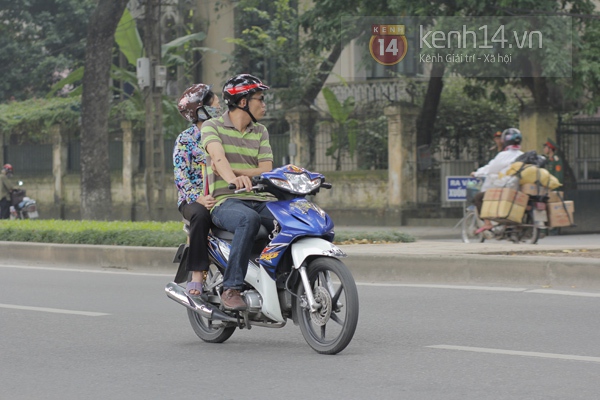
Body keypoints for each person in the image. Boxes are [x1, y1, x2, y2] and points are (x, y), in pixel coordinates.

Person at [201, 74, 275, 311]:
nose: (264, 105)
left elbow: (266, 169)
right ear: (243, 102)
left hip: (259, 198)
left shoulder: (261, 131)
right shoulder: (212, 127)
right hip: (226, 201)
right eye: (260, 99)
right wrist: (233, 180)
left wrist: (236, 171)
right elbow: (217, 157)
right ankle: (231, 288)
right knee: (247, 219)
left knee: (292, 219)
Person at [174, 84, 222, 296]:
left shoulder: (224, 134)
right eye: (215, 102)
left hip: (221, 194)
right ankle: (196, 274)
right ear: (201, 109)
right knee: (201, 216)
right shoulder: (185, 140)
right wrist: (199, 198)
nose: (219, 105)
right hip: (192, 200)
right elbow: (181, 178)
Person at [471, 128, 524, 234]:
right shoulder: (522, 154)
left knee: (478, 198)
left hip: (503, 187)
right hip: (518, 188)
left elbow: (491, 169)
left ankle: (487, 223)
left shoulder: (503, 155)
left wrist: (476, 173)